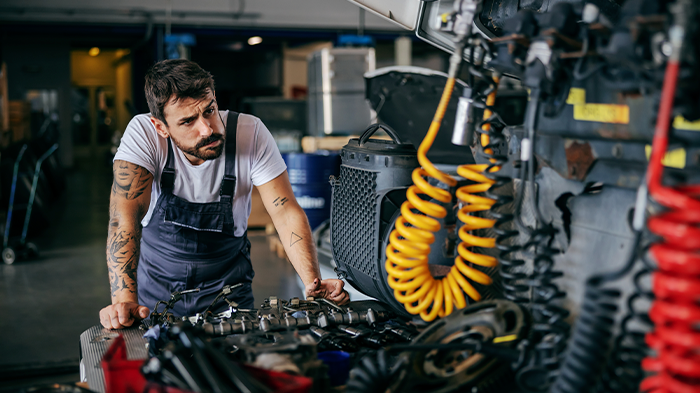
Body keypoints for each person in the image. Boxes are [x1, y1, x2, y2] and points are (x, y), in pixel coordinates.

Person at [99, 59, 348, 329]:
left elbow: (285, 211)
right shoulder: (144, 134)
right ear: (161, 127)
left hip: (229, 295)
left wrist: (313, 282)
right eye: (188, 121)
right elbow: (125, 218)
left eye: (209, 110)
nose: (207, 128)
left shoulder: (250, 133)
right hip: (157, 296)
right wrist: (124, 302)